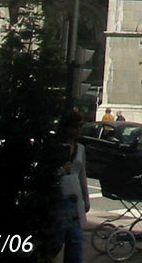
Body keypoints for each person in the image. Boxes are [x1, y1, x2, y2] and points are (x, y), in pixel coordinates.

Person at [49, 109, 90, 263]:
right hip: (59, 196)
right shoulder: (56, 146)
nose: (78, 130)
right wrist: (60, 170)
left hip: (75, 197)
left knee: (76, 241)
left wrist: (86, 199)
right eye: (75, 126)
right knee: (56, 241)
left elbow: (82, 174)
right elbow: (45, 171)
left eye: (80, 126)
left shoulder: (80, 148)